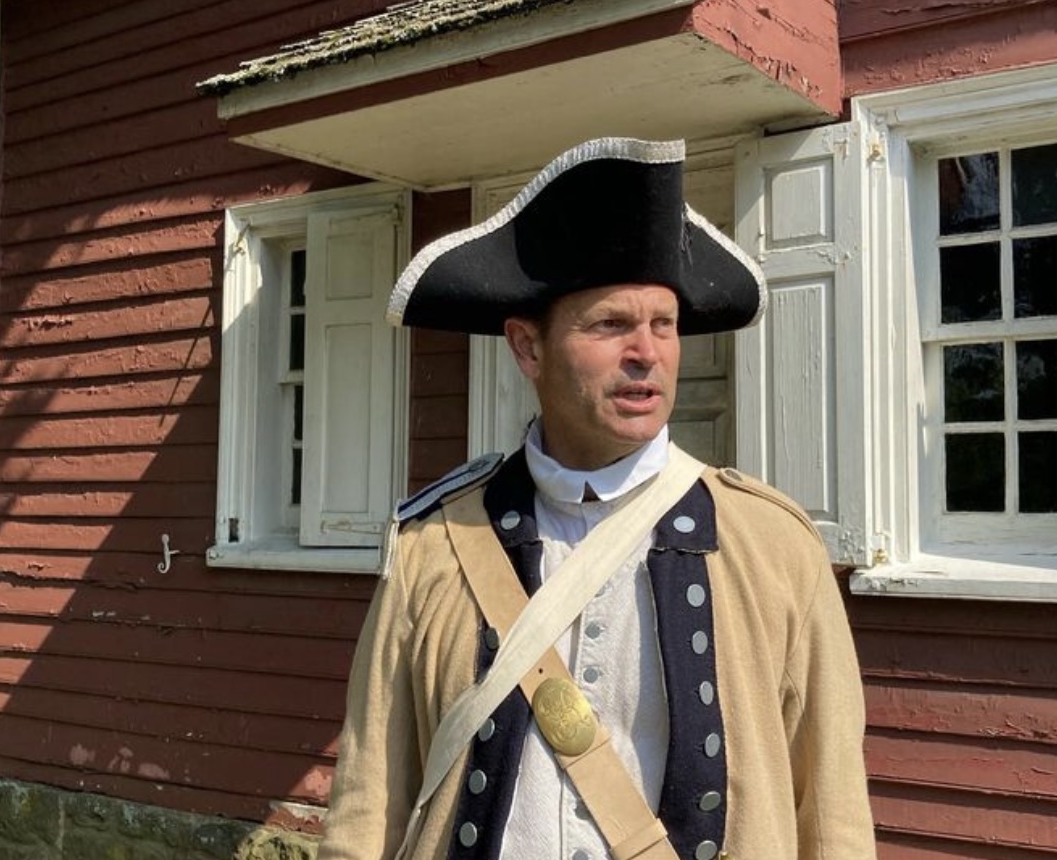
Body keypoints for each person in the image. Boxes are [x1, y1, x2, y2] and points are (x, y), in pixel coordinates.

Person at [316, 137, 876, 860]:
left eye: (663, 325)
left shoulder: (772, 545)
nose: (646, 352)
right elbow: (369, 801)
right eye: (610, 324)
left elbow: (831, 808)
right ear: (528, 348)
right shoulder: (434, 544)